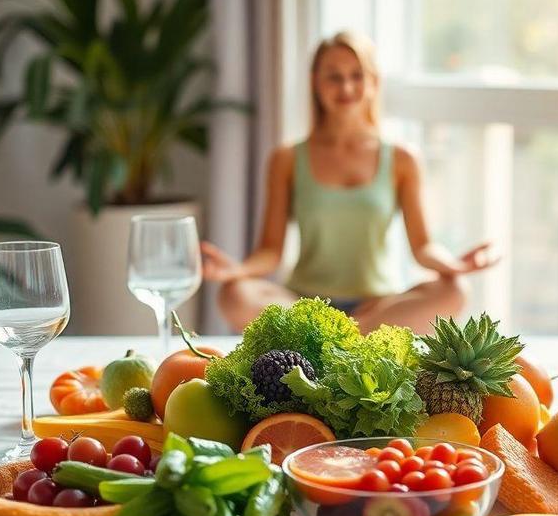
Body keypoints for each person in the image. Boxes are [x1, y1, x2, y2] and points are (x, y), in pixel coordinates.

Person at [201, 31, 498, 333]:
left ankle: (333, 339)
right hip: (304, 305)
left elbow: (423, 247)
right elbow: (270, 251)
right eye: (334, 77)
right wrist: (237, 271)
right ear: (316, 82)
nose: (346, 87)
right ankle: (351, 340)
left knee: (455, 290)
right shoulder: (286, 159)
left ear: (374, 82)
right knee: (234, 294)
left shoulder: (402, 158)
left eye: (357, 76)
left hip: (378, 306)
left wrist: (455, 266)